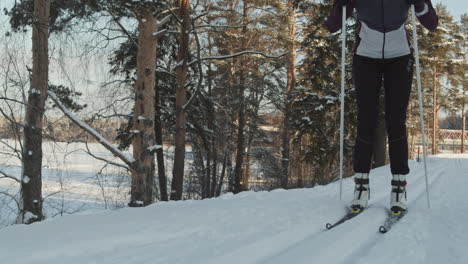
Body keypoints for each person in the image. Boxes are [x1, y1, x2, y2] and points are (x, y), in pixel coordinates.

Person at [325, 0, 438, 213]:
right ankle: (361, 187)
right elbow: (332, 25)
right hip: (366, 56)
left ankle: (398, 189)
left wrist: (421, 3)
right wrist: (341, 4)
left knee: (395, 121)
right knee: (366, 120)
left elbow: (432, 23)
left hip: (400, 56)